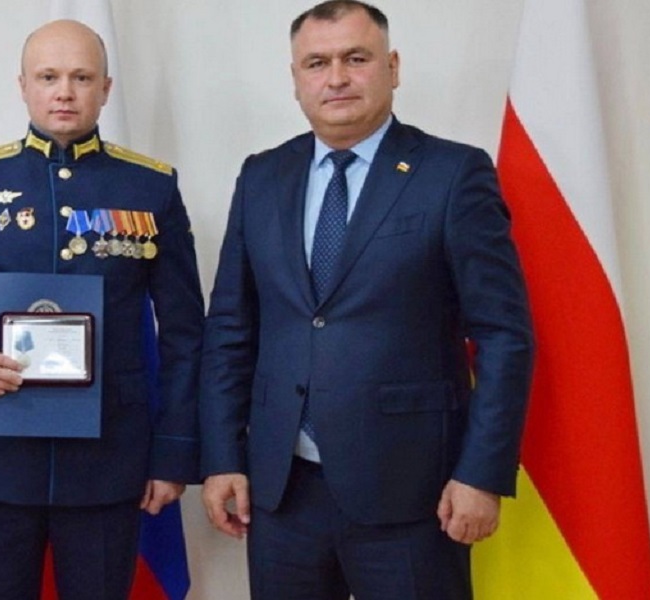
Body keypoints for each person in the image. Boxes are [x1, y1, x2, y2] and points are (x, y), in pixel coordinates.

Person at [199, 2, 534, 598]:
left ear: (392, 67)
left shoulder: (452, 174)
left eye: (356, 58)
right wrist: (223, 456)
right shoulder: (262, 177)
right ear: (296, 78)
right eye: (317, 63)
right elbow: (230, 328)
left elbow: (503, 334)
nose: (336, 78)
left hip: (414, 494)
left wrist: (481, 474)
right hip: (282, 491)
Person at [0, 20, 203, 600]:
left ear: (105, 89)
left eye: (81, 77)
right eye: (48, 77)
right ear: (23, 86)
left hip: (110, 462)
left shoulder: (149, 190)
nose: (64, 92)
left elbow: (184, 334)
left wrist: (174, 453)